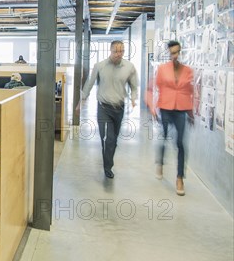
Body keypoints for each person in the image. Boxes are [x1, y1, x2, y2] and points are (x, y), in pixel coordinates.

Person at [80, 40, 138, 179]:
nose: (119, 54)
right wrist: (82, 100)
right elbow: (89, 83)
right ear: (110, 51)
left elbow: (134, 85)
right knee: (106, 138)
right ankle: (108, 167)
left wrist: (133, 98)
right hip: (103, 107)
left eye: (122, 51)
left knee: (113, 139)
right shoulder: (100, 66)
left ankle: (108, 161)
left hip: (119, 108)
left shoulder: (129, 67)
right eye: (116, 51)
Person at [147, 40, 193, 196]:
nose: (175, 56)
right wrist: (152, 108)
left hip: (181, 110)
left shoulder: (187, 71)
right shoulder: (162, 69)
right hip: (165, 108)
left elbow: (192, 91)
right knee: (163, 138)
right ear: (168, 53)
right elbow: (150, 88)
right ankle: (160, 162)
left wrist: (192, 112)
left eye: (177, 52)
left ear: (180, 52)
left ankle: (180, 177)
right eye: (172, 53)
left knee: (180, 143)